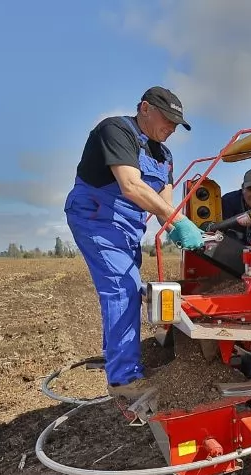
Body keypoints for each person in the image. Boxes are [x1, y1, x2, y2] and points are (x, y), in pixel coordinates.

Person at [64, 86, 205, 401]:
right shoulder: (115, 130)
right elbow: (130, 186)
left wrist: (183, 230)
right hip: (97, 217)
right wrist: (178, 220)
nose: (170, 129)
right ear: (145, 108)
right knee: (123, 289)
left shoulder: (165, 155)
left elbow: (164, 207)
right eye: (166, 120)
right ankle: (124, 381)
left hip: (127, 227)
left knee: (128, 287)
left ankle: (116, 355)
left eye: (175, 125)